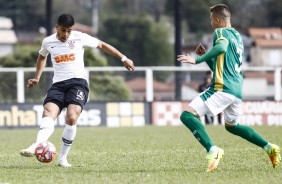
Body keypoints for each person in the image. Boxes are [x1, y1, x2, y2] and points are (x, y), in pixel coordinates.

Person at [19, 14, 135, 167]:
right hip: (58, 84)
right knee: (48, 112)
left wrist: (123, 58)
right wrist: (37, 77)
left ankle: (62, 159)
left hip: (78, 83)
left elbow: (102, 45)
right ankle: (37, 145)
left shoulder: (80, 37)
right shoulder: (48, 41)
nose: (66, 34)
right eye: (62, 30)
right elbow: (42, 57)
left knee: (72, 117)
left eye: (69, 31)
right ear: (56, 27)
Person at [177, 4, 280, 172]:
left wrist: (197, 59)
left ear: (218, 20)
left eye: (211, 20)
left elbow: (221, 47)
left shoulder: (220, 32)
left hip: (222, 87)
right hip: (237, 90)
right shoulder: (237, 37)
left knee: (187, 115)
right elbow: (220, 64)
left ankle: (212, 149)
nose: (211, 24)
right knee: (233, 126)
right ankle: (269, 147)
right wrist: (207, 56)